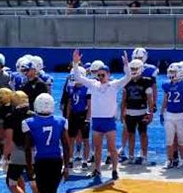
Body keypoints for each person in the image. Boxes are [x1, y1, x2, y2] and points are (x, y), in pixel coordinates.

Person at [72, 49, 134, 180]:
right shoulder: (93, 85)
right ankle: (97, 169)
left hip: (109, 121)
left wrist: (126, 65)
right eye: (98, 75)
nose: (100, 78)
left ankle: (115, 170)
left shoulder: (114, 85)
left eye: (102, 75)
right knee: (98, 148)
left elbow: (128, 77)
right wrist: (76, 63)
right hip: (97, 121)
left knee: (112, 148)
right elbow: (78, 77)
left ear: (108, 74)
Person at [23, 93, 70, 193]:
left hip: (42, 163)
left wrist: (29, 168)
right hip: (56, 162)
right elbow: (66, 144)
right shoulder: (60, 121)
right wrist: (67, 166)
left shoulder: (29, 122)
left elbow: (28, 149)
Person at [2, 90, 45, 193]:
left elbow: (9, 140)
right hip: (35, 152)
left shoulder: (11, 117)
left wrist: (4, 157)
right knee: (34, 184)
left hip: (19, 153)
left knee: (12, 183)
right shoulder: (35, 115)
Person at [121, 59, 154, 165]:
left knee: (143, 134)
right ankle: (131, 156)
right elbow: (124, 99)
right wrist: (122, 112)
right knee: (131, 134)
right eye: (132, 68)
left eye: (135, 68)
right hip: (130, 112)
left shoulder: (146, 81)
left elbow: (150, 99)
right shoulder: (127, 80)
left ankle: (144, 156)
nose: (133, 70)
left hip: (142, 112)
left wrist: (151, 113)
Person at [160, 62, 183, 169]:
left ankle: (182, 159)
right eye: (171, 71)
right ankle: (170, 160)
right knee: (169, 140)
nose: (171, 74)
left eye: (174, 72)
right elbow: (165, 99)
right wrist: (161, 112)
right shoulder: (166, 84)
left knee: (181, 140)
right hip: (169, 114)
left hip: (181, 115)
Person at [66, 66, 91, 169]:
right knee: (71, 139)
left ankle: (85, 161)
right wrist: (67, 118)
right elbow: (70, 103)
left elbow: (90, 106)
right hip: (74, 115)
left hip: (83, 115)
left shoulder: (87, 88)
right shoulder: (71, 87)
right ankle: (71, 159)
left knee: (85, 139)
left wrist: (87, 119)